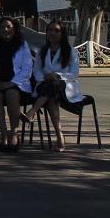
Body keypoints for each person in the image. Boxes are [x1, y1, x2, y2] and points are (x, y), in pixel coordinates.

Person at [23, 20, 81, 152]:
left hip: (66, 86)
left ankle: (32, 112)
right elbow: (36, 70)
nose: (52, 33)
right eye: (49, 30)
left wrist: (57, 75)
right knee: (51, 95)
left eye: (56, 30)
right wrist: (44, 77)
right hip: (46, 85)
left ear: (62, 33)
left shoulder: (70, 51)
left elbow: (74, 73)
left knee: (53, 86)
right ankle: (59, 135)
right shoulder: (42, 51)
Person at [0, 17, 33, 152]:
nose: (5, 30)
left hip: (17, 85)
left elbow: (27, 68)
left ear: (14, 29)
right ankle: (3, 133)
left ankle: (14, 132)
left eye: (8, 27)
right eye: (2, 27)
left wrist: (12, 83)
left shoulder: (22, 45)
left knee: (11, 93)